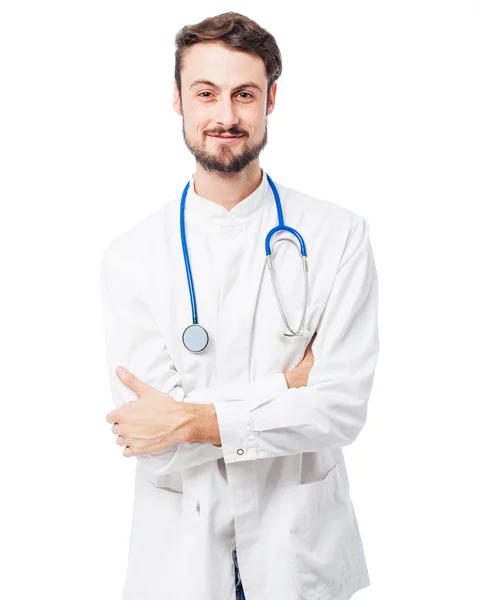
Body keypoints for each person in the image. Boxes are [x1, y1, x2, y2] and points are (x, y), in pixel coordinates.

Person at [100, 11, 379, 600]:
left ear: (271, 99)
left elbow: (341, 409)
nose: (225, 116)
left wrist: (197, 418)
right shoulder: (130, 257)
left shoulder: (338, 236)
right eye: (206, 93)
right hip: (180, 562)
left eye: (244, 94)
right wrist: (286, 388)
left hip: (299, 558)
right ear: (177, 99)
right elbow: (152, 442)